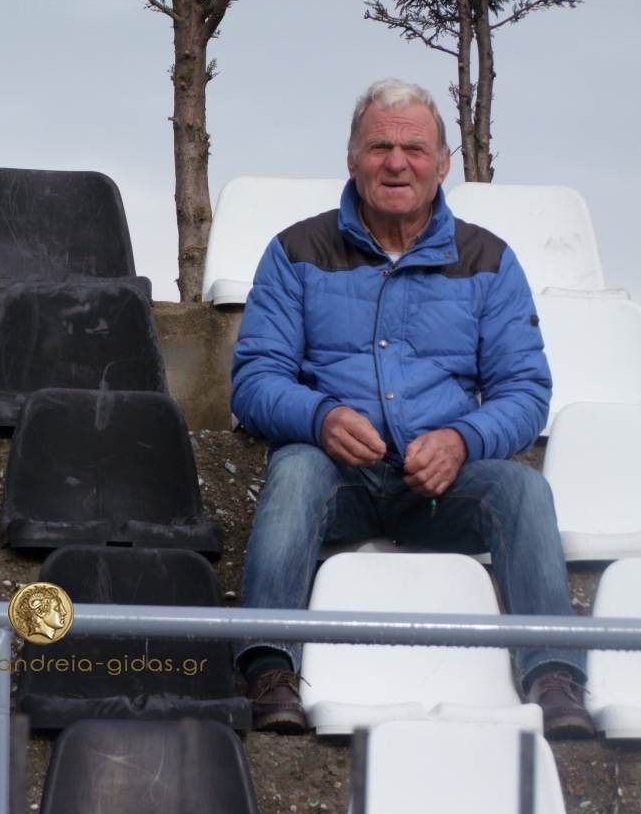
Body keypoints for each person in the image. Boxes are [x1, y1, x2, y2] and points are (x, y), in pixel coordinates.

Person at [230, 79, 593, 739]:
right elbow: (255, 381)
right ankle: (270, 670)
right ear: (352, 160)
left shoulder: (489, 260)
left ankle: (554, 675)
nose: (396, 163)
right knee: (295, 470)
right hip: (335, 475)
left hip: (444, 484)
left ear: (443, 164)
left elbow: (524, 392)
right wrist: (320, 419)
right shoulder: (295, 252)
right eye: (379, 147)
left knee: (523, 490)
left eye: (415, 149)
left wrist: (462, 439)